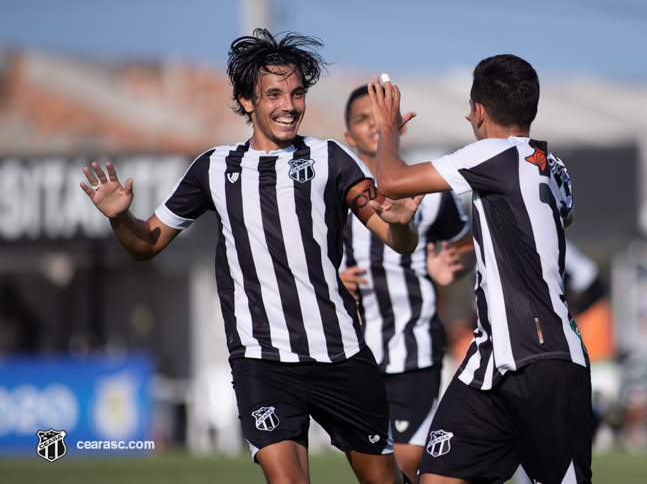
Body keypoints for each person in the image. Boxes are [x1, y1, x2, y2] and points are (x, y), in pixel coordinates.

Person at [80, 29, 421, 484]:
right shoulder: (213, 168)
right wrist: (121, 219)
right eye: (274, 93)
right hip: (261, 360)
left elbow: (397, 239)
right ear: (246, 101)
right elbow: (146, 245)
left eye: (297, 93)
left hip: (341, 353)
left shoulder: (331, 159)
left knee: (384, 480)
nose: (289, 105)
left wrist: (400, 222)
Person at [367, 56, 593, 483]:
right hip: (489, 362)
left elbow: (391, 180)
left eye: (470, 108)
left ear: (480, 111)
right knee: (439, 476)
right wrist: (458, 252)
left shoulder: (492, 153)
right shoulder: (552, 166)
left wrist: (389, 131)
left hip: (539, 359)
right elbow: (544, 227)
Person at [340, 85, 475, 482]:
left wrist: (453, 264)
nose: (372, 126)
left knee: (407, 463)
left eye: (377, 117)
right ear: (349, 137)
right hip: (355, 352)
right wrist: (334, 279)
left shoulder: (427, 188)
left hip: (414, 348)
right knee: (374, 471)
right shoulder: (333, 188)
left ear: (396, 126)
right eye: (362, 119)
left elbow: (470, 245)